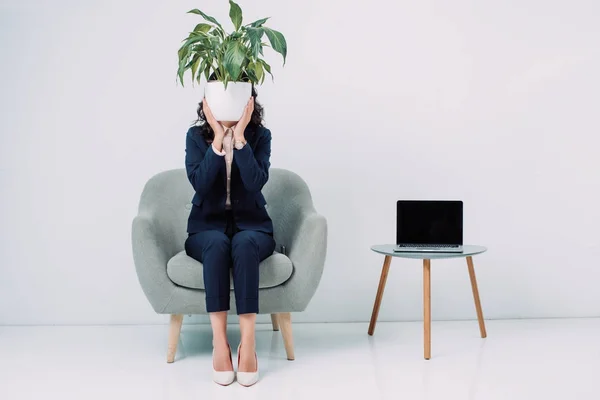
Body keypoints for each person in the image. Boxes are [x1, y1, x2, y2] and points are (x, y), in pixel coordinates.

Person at [184, 84, 275, 387]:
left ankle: (247, 344)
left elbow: (255, 182)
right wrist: (216, 139)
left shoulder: (260, 136)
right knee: (217, 243)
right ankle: (219, 343)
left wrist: (239, 139)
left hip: (253, 227)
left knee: (245, 242)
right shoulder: (196, 137)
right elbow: (199, 182)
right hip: (205, 228)